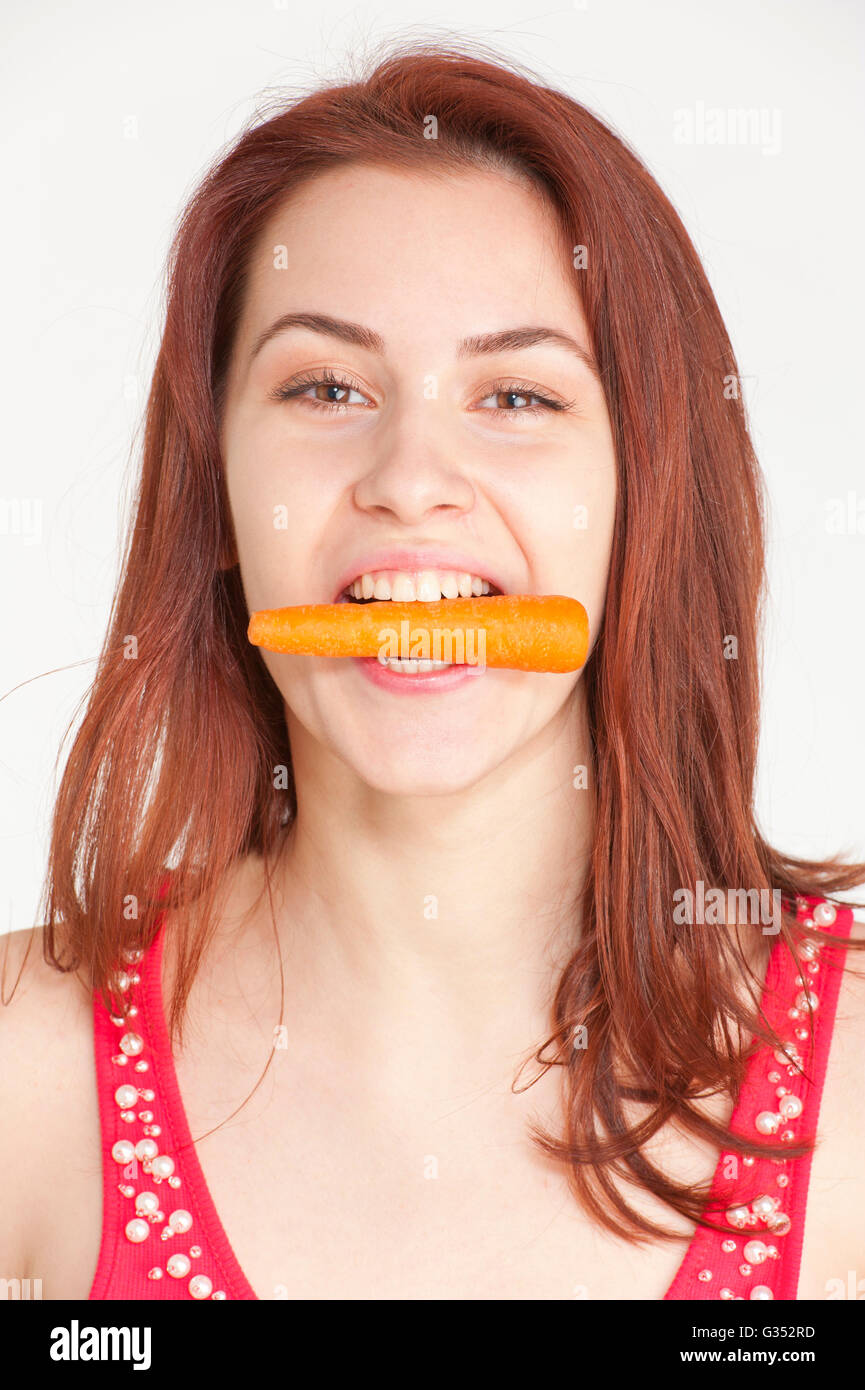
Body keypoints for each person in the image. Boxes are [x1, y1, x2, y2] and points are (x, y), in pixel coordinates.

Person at [2, 39, 864, 1301]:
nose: (409, 479)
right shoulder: (26, 1069)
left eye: (516, 396)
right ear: (217, 496)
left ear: (649, 500)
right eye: (326, 385)